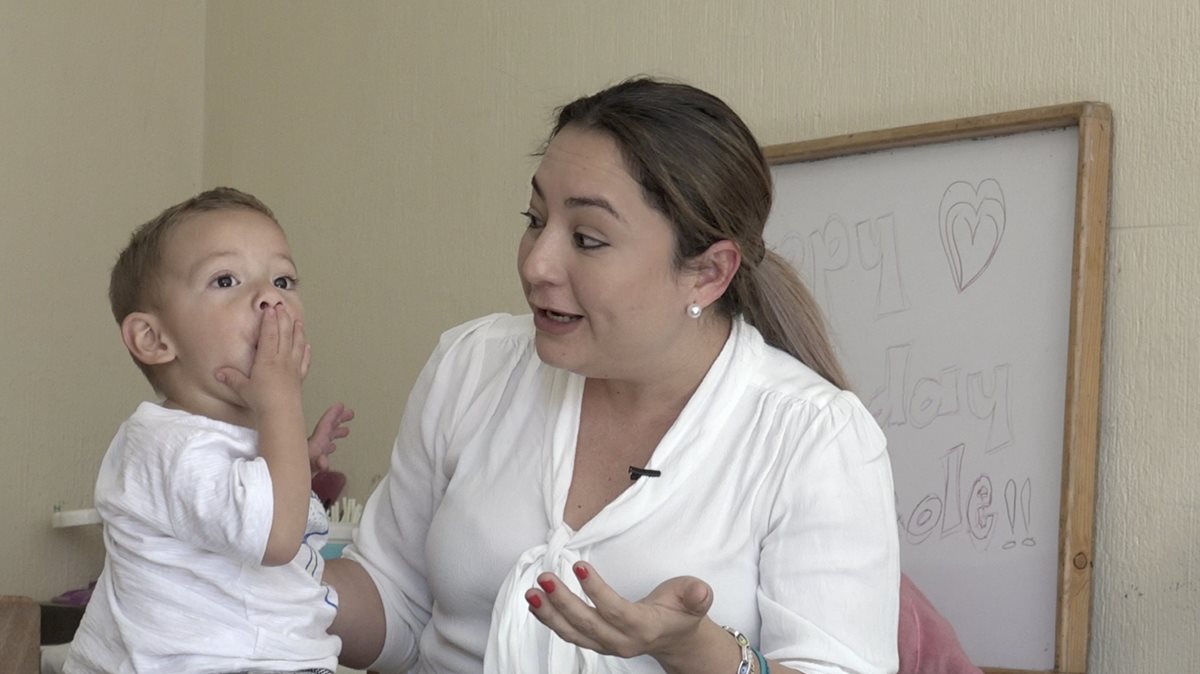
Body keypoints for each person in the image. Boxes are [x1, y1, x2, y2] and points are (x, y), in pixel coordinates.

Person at [327, 77, 899, 674]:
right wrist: (268, 564)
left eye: (587, 239)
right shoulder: (470, 365)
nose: (537, 263)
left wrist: (695, 650)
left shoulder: (814, 437)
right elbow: (395, 601)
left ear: (707, 273)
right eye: (534, 219)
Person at [65, 187, 354, 674]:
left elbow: (235, 498)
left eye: (284, 279)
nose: (270, 297)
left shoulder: (215, 441)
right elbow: (276, 536)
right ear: (153, 339)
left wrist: (294, 459)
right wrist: (283, 404)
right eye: (226, 280)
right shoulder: (165, 444)